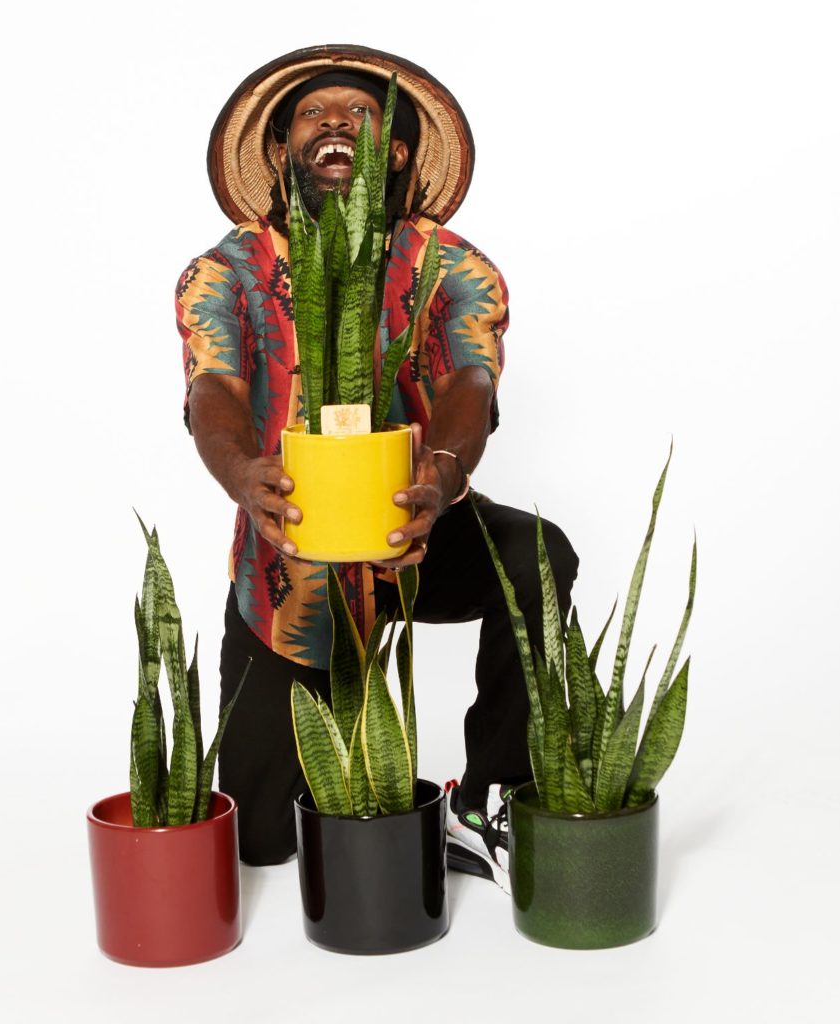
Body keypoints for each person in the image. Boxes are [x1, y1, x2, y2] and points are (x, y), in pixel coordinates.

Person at [176, 45, 578, 891]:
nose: (334, 123)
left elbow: (470, 376)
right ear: (283, 145)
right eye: (313, 113)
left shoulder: (450, 263)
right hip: (289, 560)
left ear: (395, 150)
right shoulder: (229, 270)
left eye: (359, 113)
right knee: (257, 847)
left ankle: (489, 795)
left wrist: (443, 472)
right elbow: (211, 385)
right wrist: (243, 474)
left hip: (412, 523)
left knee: (536, 554)